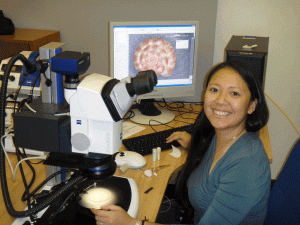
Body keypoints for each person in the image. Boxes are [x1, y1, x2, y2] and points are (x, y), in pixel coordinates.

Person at [91, 60, 271, 225]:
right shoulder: (221, 136)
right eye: (214, 90)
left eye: (234, 93)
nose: (220, 101)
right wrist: (194, 144)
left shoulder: (247, 165)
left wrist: (131, 223)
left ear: (251, 105)